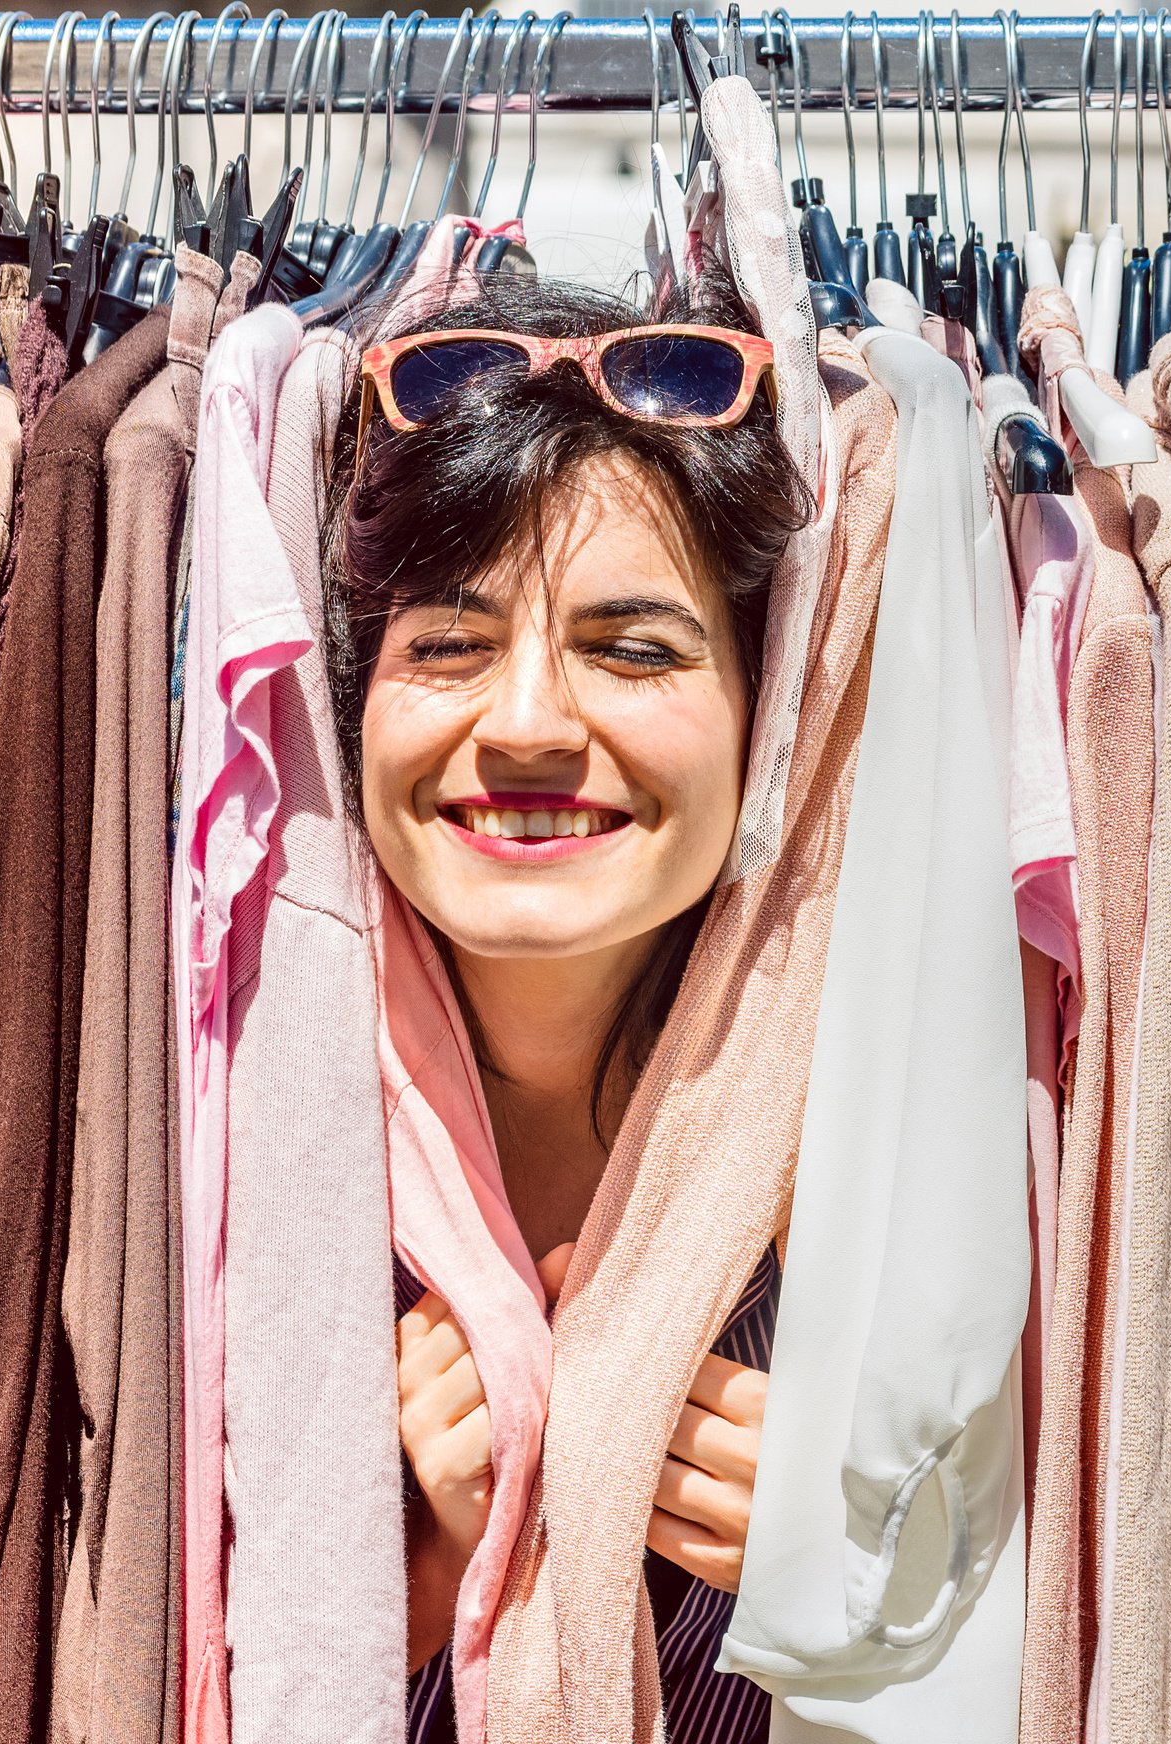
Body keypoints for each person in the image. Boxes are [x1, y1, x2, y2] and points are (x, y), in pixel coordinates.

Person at [328, 275, 799, 1742]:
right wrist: (413, 1578)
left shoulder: (890, 1171)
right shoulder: (231, 1146)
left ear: (762, 708)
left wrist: (879, 1606)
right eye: (449, 647)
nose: (526, 724)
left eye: (635, 647)